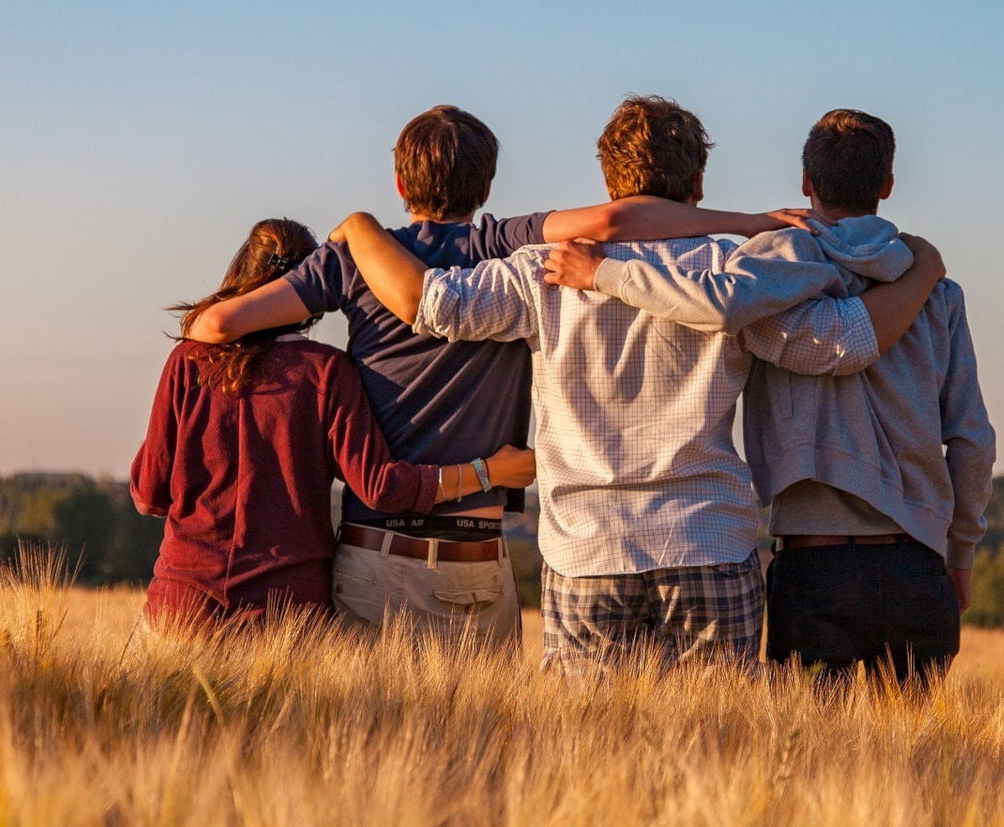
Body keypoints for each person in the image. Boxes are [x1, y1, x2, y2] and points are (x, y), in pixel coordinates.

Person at [329, 97, 945, 671]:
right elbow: (837, 345)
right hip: (707, 540)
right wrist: (922, 273)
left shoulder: (541, 271)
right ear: (698, 185)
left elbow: (433, 305)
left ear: (608, 184)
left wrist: (359, 228)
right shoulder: (735, 273)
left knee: (587, 758)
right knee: (717, 753)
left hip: (586, 551)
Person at [182, 104, 812, 644]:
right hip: (479, 559)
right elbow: (616, 222)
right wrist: (748, 223)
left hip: (377, 551)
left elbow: (214, 328)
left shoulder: (355, 259)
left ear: (399, 182)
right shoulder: (503, 245)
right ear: (486, 185)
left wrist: (351, 237)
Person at [545, 109, 995, 683]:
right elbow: (973, 440)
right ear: (886, 186)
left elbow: (714, 303)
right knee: (909, 765)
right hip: (919, 563)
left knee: (810, 760)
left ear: (806, 182)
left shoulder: (768, 273)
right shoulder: (936, 292)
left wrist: (605, 273)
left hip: (815, 564)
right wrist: (960, 552)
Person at [130, 218, 535, 633]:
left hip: (182, 605)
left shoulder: (188, 362)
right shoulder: (327, 372)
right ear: (311, 290)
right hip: (287, 615)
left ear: (241, 273)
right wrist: (490, 472)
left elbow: (149, 494)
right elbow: (381, 487)